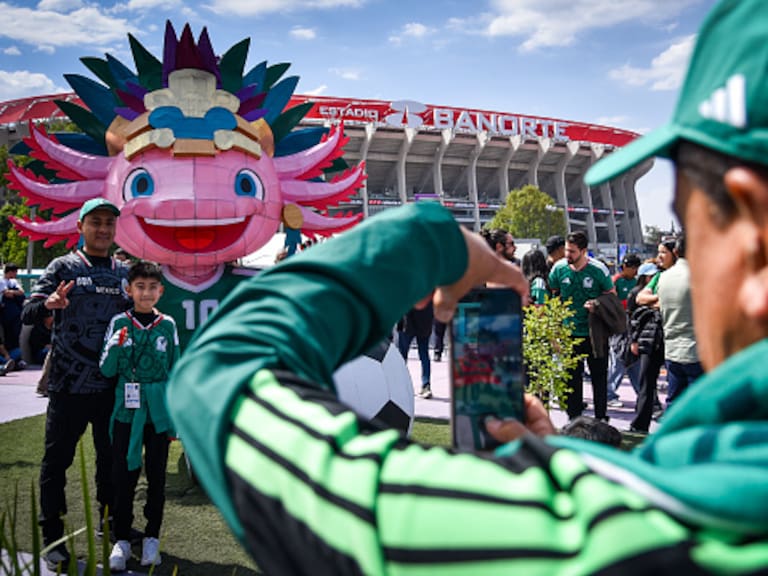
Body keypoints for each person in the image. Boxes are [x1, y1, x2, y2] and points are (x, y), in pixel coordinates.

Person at [167, 1, 768, 571]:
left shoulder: (620, 537)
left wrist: (423, 238)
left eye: (690, 224)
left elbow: (217, 376)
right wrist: (575, 466)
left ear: (748, 235)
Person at [22, 198, 129, 571]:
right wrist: (48, 304)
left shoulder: (123, 273)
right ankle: (52, 537)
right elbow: (28, 311)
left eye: (109, 224)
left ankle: (112, 528)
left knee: (112, 463)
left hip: (112, 389)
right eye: (95, 222)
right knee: (57, 462)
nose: (103, 229)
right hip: (69, 386)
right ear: (81, 226)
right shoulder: (62, 266)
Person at [100, 260, 179, 571]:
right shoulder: (120, 322)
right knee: (123, 476)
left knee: (157, 478)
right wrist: (117, 347)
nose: (146, 293)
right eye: (139, 287)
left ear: (160, 291)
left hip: (157, 410)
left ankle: (151, 539)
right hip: (126, 409)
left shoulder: (168, 325)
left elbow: (175, 369)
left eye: (152, 287)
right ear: (129, 289)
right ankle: (121, 539)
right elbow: (106, 369)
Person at [548, 230, 615, 422]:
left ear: (584, 251)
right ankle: (574, 418)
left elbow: (612, 295)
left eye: (572, 251)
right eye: (567, 250)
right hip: (569, 333)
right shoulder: (559, 269)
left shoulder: (598, 270)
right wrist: (556, 326)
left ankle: (601, 417)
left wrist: (597, 304)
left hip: (595, 334)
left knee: (598, 377)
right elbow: (554, 293)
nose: (568, 255)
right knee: (572, 378)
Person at [656, 234, 704, 405]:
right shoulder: (700, 275)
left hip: (672, 349)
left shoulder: (664, 277)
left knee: (674, 403)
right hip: (697, 351)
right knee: (699, 406)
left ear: (675, 251)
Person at [606, 253, 642, 406]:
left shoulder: (635, 281)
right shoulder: (616, 281)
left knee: (634, 361)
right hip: (619, 324)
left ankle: (642, 393)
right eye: (632, 268)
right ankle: (609, 394)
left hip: (633, 324)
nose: (634, 271)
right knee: (618, 360)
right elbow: (612, 301)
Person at [397, 303, 434, 398]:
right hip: (423, 320)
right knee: (423, 354)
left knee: (402, 356)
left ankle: (400, 385)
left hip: (409, 321)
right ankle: (426, 385)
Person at [0, 263, 26, 366]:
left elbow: (21, 292)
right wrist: (14, 292)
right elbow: (6, 294)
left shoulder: (13, 281)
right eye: (15, 272)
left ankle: (14, 361)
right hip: (5, 314)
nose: (16, 274)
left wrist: (13, 293)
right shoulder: (2, 281)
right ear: (10, 271)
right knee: (8, 336)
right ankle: (8, 361)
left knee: (15, 337)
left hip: (15, 315)